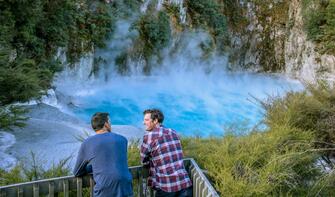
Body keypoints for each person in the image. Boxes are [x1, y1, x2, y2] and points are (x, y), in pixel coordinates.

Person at [73, 112, 133, 197]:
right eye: (110, 122)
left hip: (105, 190)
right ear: (106, 124)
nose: (110, 125)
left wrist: (93, 167)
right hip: (125, 187)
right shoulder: (123, 140)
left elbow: (77, 171)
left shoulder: (88, 143)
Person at [140, 109, 192, 197]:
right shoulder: (173, 132)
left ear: (155, 121)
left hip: (167, 187)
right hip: (184, 183)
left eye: (146, 120)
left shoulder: (149, 137)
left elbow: (143, 160)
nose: (143, 123)